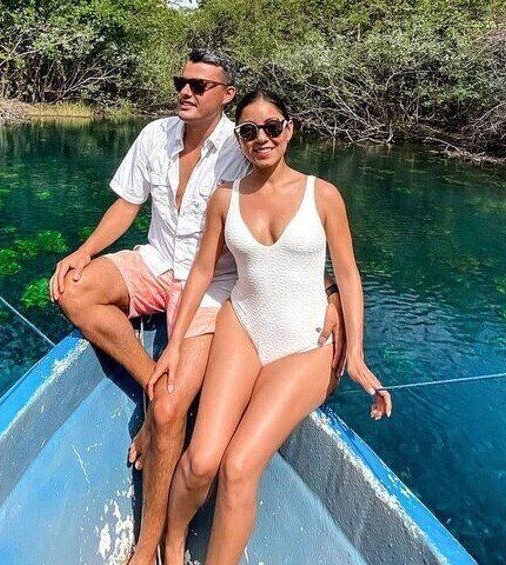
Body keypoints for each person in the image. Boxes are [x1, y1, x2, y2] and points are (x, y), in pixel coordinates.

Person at [50, 50, 347, 565]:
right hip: (156, 262)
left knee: (170, 413)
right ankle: (152, 382)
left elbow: (283, 235)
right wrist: (85, 251)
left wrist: (333, 294)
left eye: (200, 85)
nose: (186, 92)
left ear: (226, 95)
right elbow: (127, 204)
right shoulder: (155, 135)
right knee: (72, 289)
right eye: (181, 82)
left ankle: (146, 547)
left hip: (213, 287)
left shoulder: (245, 144)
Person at [148, 90, 392, 565]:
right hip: (243, 326)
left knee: (239, 466)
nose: (261, 138)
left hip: (305, 345)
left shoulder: (323, 195)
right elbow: (202, 272)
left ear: (289, 129)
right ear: (238, 139)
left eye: (272, 127)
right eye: (248, 131)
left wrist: (356, 356)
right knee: (201, 462)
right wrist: (175, 344)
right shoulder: (225, 198)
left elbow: (347, 276)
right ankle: (171, 546)